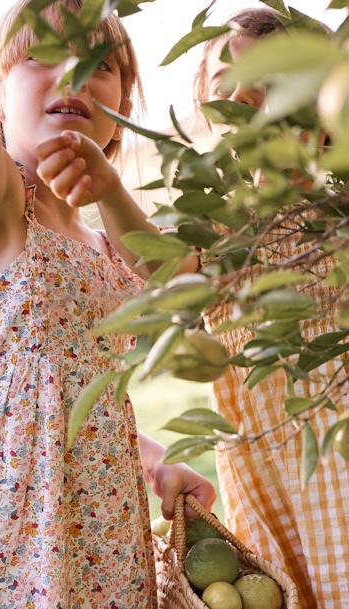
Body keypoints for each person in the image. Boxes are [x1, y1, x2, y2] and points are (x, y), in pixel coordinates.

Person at [0, 1, 216, 607]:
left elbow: (169, 294)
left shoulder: (102, 245)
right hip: (4, 533)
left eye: (100, 64)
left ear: (120, 117)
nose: (72, 70)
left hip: (99, 532)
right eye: (39, 54)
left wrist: (152, 461)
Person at [193, 8, 349, 609]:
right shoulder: (210, 231)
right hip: (266, 480)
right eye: (224, 88)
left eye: (268, 81)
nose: (244, 98)